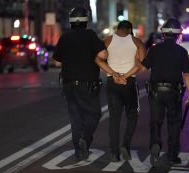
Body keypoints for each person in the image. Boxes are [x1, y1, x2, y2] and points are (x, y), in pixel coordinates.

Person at [52, 6, 114, 161]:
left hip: (68, 84)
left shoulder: (65, 37)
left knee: (75, 118)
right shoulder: (90, 35)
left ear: (71, 22)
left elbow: (57, 62)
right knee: (94, 114)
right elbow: (102, 54)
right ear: (86, 22)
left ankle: (79, 152)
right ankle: (85, 140)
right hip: (87, 84)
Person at [136, 17, 189, 166]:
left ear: (163, 34)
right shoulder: (182, 51)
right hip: (174, 92)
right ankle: (172, 155)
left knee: (155, 121)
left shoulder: (155, 49)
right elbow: (187, 74)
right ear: (178, 35)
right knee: (174, 123)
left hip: (155, 92)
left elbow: (143, 68)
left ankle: (155, 145)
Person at [95, 20, 146, 162]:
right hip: (129, 82)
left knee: (114, 119)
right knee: (132, 115)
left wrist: (114, 74)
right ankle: (126, 145)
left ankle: (114, 152)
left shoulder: (107, 40)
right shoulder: (137, 42)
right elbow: (142, 65)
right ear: (129, 29)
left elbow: (98, 60)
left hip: (112, 82)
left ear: (117, 29)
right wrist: (125, 76)